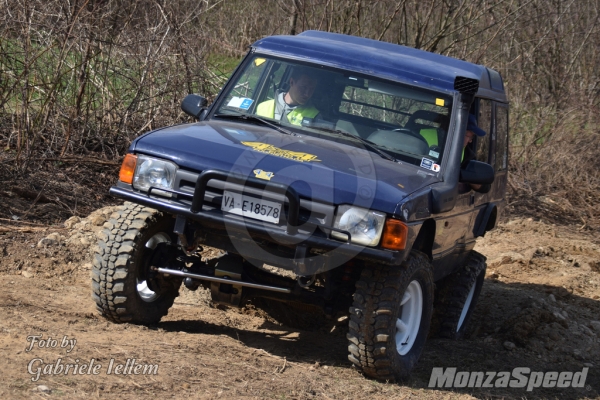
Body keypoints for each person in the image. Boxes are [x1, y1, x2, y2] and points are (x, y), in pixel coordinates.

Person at [256, 67, 320, 126]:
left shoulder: (315, 116)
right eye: (303, 87)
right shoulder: (263, 107)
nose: (307, 94)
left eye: (312, 89)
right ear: (291, 82)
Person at [461, 114, 491, 193]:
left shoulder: (467, 155)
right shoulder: (426, 136)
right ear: (459, 133)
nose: (470, 141)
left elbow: (485, 187)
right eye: (468, 136)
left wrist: (467, 176)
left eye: (472, 137)